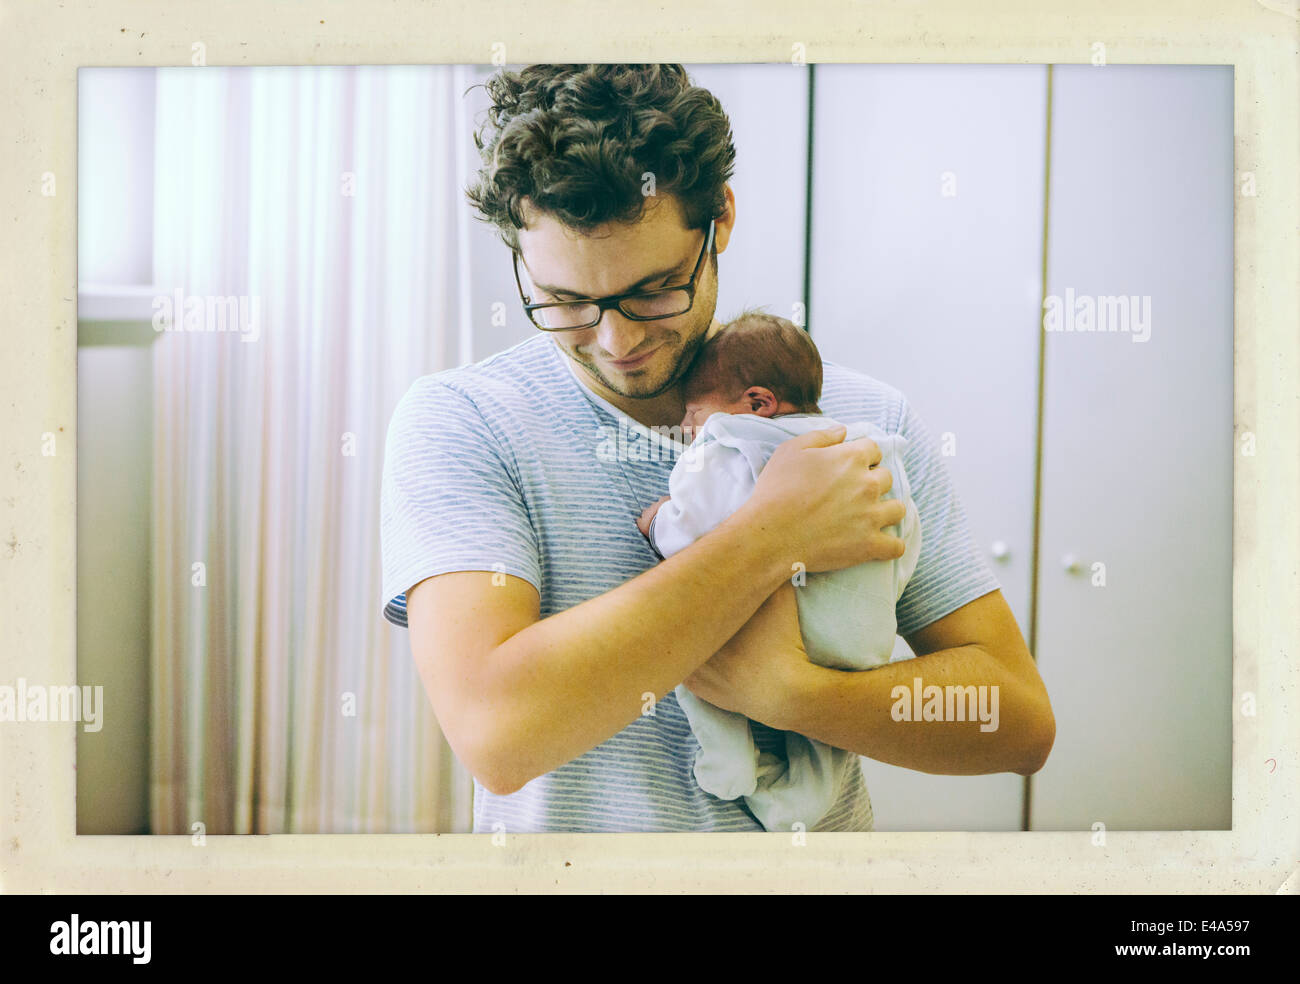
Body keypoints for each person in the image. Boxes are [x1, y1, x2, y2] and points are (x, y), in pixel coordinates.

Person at [379, 63, 1055, 833]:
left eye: (653, 289)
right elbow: (498, 734)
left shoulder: (862, 421)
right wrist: (773, 535)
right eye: (565, 302)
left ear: (721, 218)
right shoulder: (465, 422)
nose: (616, 339)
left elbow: (1019, 722)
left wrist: (794, 695)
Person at [636, 310, 921, 833]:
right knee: (827, 737)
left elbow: (691, 530)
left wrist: (656, 523)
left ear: (758, 403)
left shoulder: (731, 442)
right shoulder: (870, 449)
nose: (684, 429)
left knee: (686, 658)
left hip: (772, 631)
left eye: (693, 414)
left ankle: (730, 761)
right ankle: (800, 802)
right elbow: (905, 538)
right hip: (861, 638)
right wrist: (883, 596)